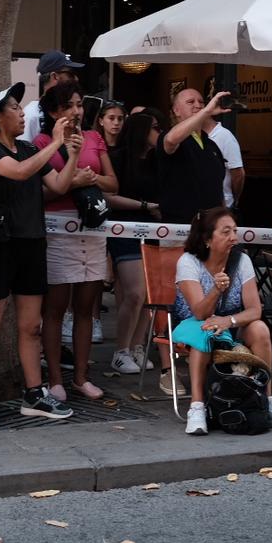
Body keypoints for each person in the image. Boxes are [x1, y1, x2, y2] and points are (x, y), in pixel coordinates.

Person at [0, 83, 83, 428]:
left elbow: (60, 186)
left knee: (30, 326)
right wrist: (57, 144)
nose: (22, 113)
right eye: (15, 108)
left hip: (31, 241)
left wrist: (73, 153)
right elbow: (19, 172)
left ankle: (34, 394)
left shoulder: (28, 147)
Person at [175, 206, 272, 436]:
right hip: (195, 324)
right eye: (226, 232)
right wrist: (217, 290)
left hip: (231, 325)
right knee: (205, 332)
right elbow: (199, 312)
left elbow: (255, 309)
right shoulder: (188, 261)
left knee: (259, 329)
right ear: (207, 239)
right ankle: (196, 407)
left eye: (234, 231)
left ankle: (266, 399)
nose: (233, 238)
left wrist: (229, 320)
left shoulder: (241, 260)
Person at [33, 82, 115, 402]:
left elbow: (112, 182)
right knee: (54, 308)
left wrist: (91, 179)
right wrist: (71, 182)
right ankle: (55, 379)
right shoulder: (41, 142)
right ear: (54, 112)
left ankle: (81, 376)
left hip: (92, 230)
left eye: (80, 105)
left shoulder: (94, 138)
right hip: (56, 231)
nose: (77, 111)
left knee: (85, 308)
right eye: (69, 105)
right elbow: (40, 193)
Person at [105, 111, 161, 374]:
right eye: (155, 128)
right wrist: (145, 206)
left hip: (152, 230)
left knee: (149, 296)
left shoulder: (156, 161)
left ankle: (137, 346)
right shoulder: (118, 158)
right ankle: (121, 350)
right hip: (124, 229)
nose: (159, 133)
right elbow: (108, 196)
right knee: (135, 291)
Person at [157, 88, 230, 222]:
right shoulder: (169, 136)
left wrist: (224, 217)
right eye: (191, 102)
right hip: (179, 227)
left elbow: (218, 187)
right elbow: (172, 139)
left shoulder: (211, 144)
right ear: (176, 110)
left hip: (210, 227)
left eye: (202, 102)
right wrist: (206, 111)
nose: (198, 105)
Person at [18, 50, 83, 145]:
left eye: (79, 105)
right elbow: (24, 153)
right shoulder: (32, 114)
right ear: (54, 76)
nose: (76, 78)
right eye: (70, 74)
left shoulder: (76, 110)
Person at [204, 107, 245, 212]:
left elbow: (238, 174)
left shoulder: (224, 136)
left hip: (223, 206)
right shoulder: (196, 135)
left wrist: (233, 201)